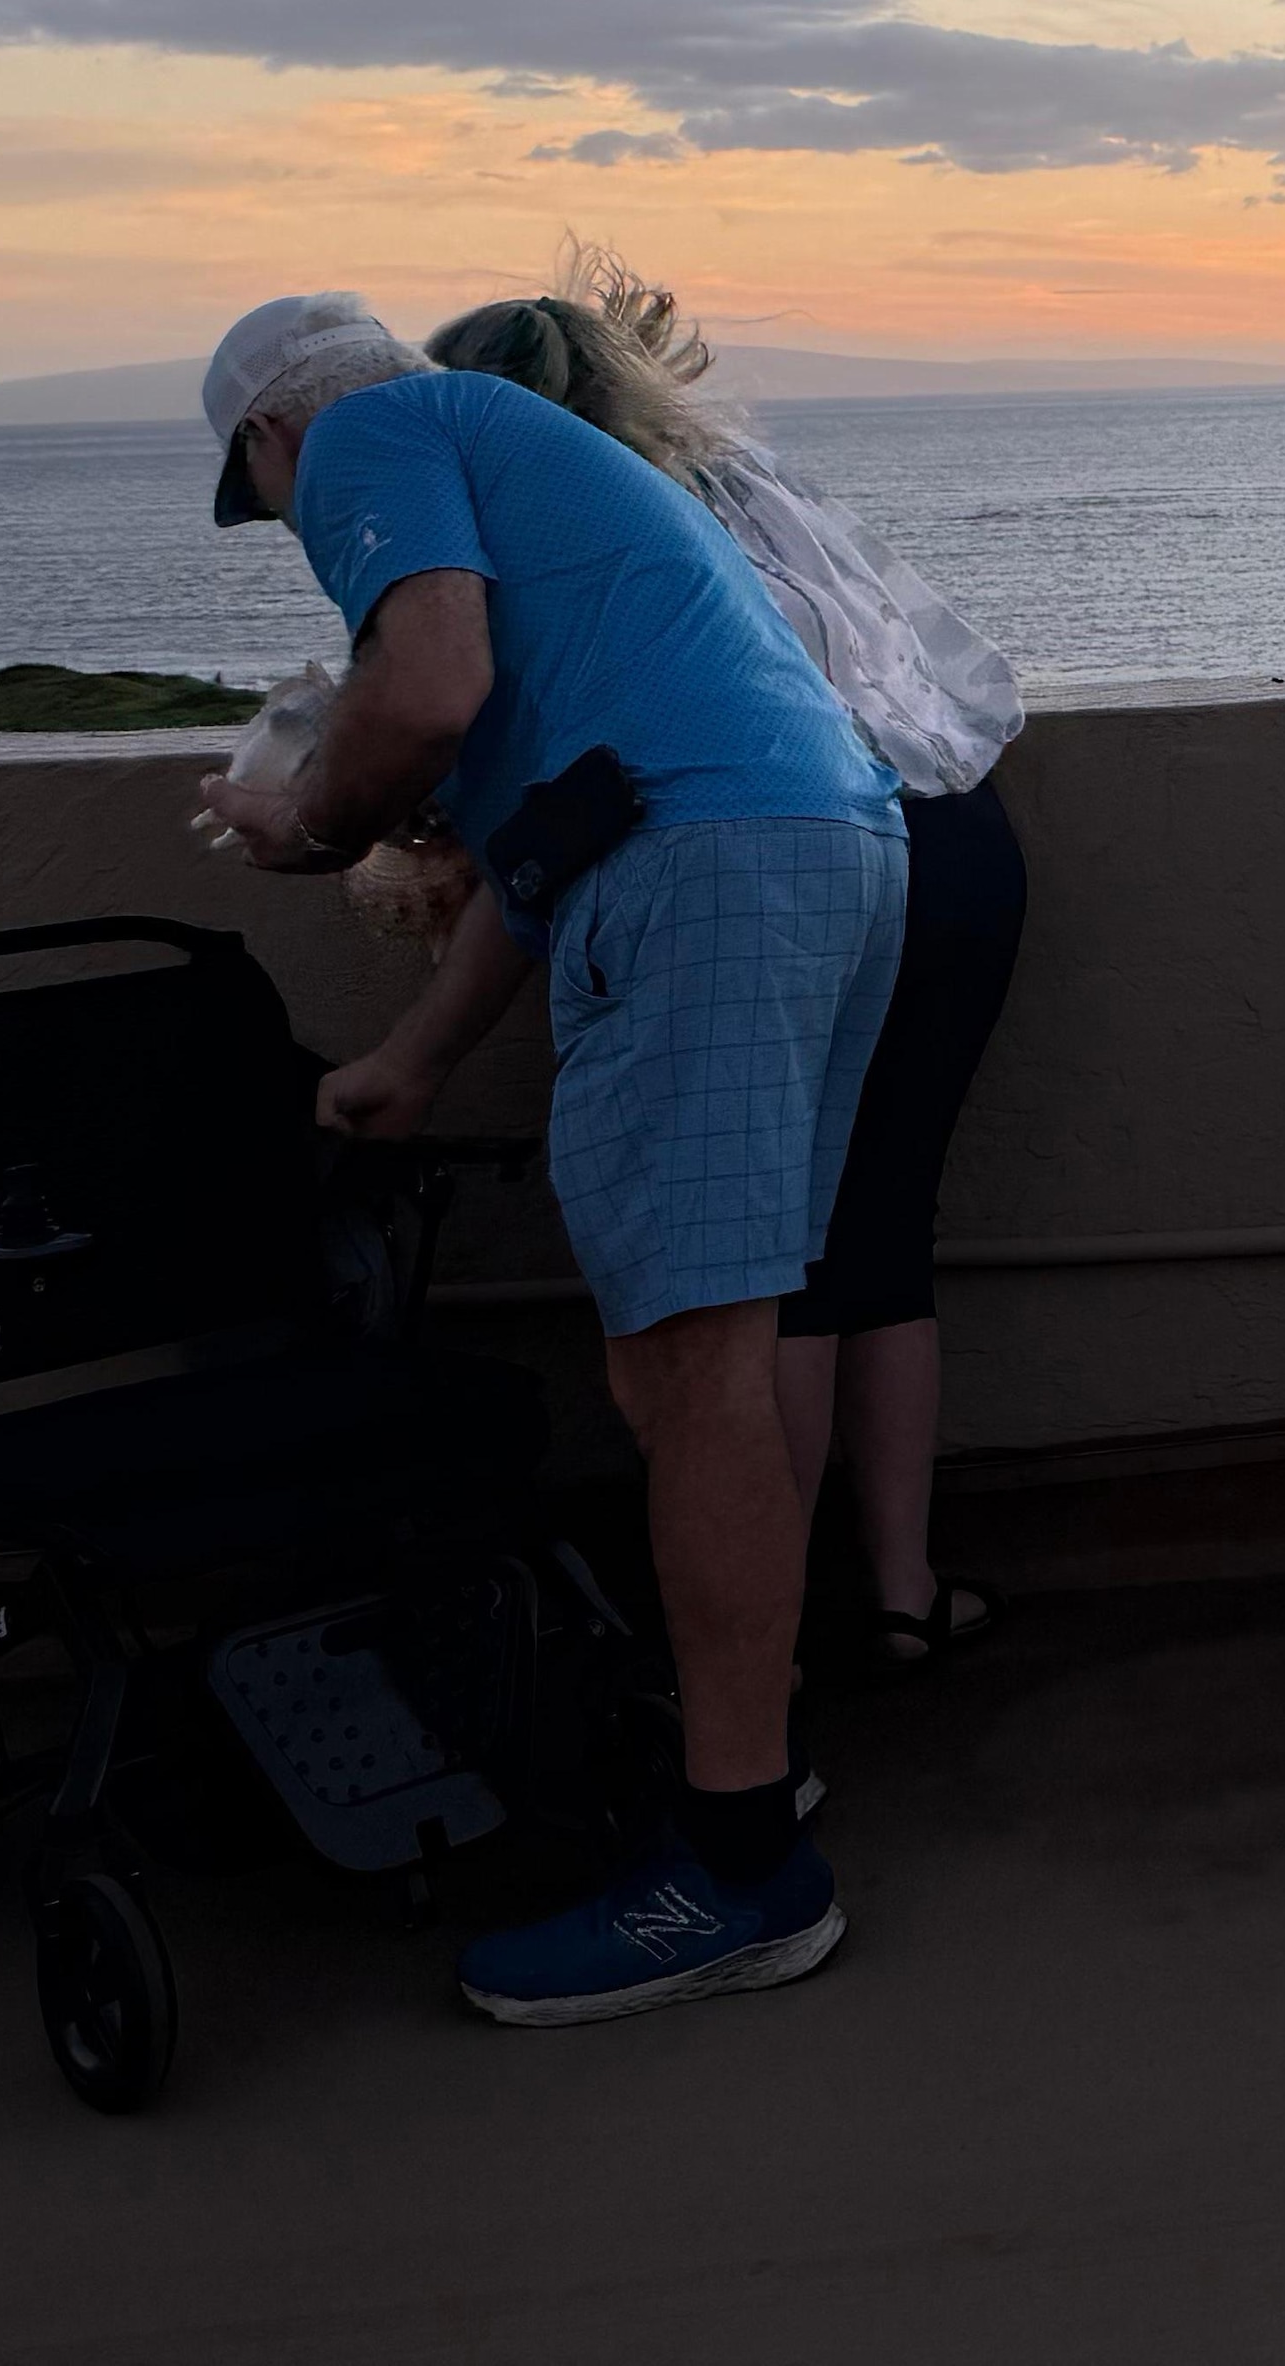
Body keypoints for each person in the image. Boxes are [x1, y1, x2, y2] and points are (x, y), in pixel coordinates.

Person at [191, 289, 907, 2021]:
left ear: (277, 437)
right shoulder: (556, 472)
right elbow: (539, 846)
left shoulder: (377, 431)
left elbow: (426, 692)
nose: (298, 528)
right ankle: (749, 1772)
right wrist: (409, 1063)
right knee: (687, 1374)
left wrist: (312, 817)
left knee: (696, 1364)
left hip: (709, 877)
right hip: (805, 845)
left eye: (265, 495)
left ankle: (739, 1870)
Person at [414, 254, 1030, 1673]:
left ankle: (768, 1638)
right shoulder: (746, 481)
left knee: (776, 1273)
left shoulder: (560, 537)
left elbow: (529, 766)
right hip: (959, 838)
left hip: (794, 853)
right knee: (885, 1235)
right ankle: (900, 1589)